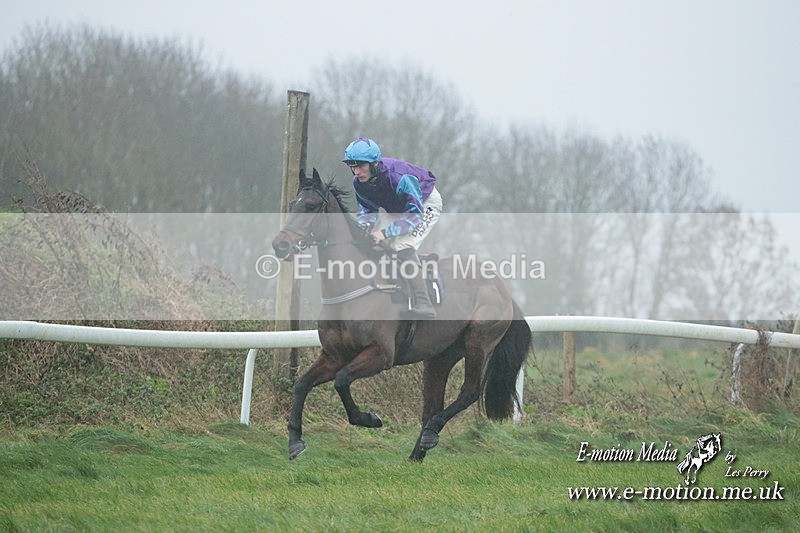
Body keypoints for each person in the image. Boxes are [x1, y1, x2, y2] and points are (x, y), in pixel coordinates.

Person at [343, 137, 443, 319]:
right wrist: (364, 227)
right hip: (398, 209)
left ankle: (424, 302)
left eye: (361, 166)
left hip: (424, 205)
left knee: (401, 246)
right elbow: (367, 210)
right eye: (352, 166)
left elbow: (414, 215)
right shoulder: (359, 183)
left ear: (375, 163)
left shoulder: (399, 177)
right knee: (370, 242)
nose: (356, 172)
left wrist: (384, 233)